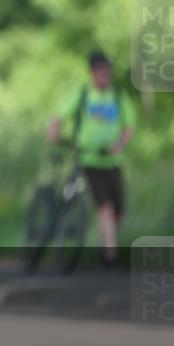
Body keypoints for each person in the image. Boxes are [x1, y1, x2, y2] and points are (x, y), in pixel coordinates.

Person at [47, 51, 136, 265]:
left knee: (118, 211)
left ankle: (103, 243)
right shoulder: (84, 95)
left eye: (107, 70)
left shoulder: (118, 97)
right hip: (89, 160)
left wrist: (120, 144)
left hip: (113, 161)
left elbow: (129, 126)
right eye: (100, 70)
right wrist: (54, 129)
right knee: (104, 207)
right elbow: (59, 116)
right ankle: (110, 256)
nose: (104, 74)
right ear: (92, 73)